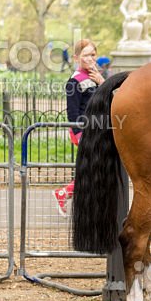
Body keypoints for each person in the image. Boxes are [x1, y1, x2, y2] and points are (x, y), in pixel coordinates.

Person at [53, 39, 106, 215]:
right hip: (84, 133)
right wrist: (79, 135)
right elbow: (72, 113)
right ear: (76, 58)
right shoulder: (74, 81)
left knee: (96, 171)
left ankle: (67, 194)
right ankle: (66, 193)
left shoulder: (97, 77)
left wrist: (102, 83)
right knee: (94, 171)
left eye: (93, 54)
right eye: (86, 55)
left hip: (99, 130)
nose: (90, 59)